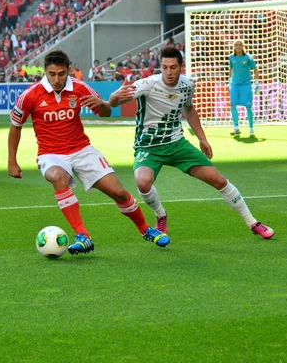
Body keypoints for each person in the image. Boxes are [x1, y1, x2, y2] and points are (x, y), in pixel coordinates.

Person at [8, 50, 169, 255]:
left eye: (61, 74)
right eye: (52, 74)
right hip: (51, 154)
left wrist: (103, 105)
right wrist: (12, 161)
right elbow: (15, 126)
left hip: (82, 149)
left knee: (118, 192)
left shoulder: (79, 88)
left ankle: (146, 229)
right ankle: (82, 235)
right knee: (58, 177)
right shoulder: (30, 95)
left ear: (69, 71)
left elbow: (106, 112)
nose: (57, 79)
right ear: (45, 72)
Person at [108, 47, 274, 239]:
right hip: (149, 147)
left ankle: (252, 222)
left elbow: (189, 109)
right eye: (164, 67)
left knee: (218, 180)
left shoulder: (187, 85)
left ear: (181, 67)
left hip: (178, 144)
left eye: (173, 67)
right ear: (160, 67)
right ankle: (160, 214)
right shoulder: (146, 84)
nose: (169, 72)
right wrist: (114, 97)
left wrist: (202, 139)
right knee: (143, 182)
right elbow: (114, 103)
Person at [228, 39, 260, 136]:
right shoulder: (231, 57)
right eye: (236, 45)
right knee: (233, 105)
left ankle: (251, 128)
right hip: (234, 85)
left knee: (248, 107)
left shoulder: (248, 57)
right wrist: (229, 81)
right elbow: (231, 69)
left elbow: (255, 69)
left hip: (246, 85)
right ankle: (236, 127)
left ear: (243, 46)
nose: (238, 46)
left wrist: (257, 82)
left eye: (240, 45)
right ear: (234, 46)